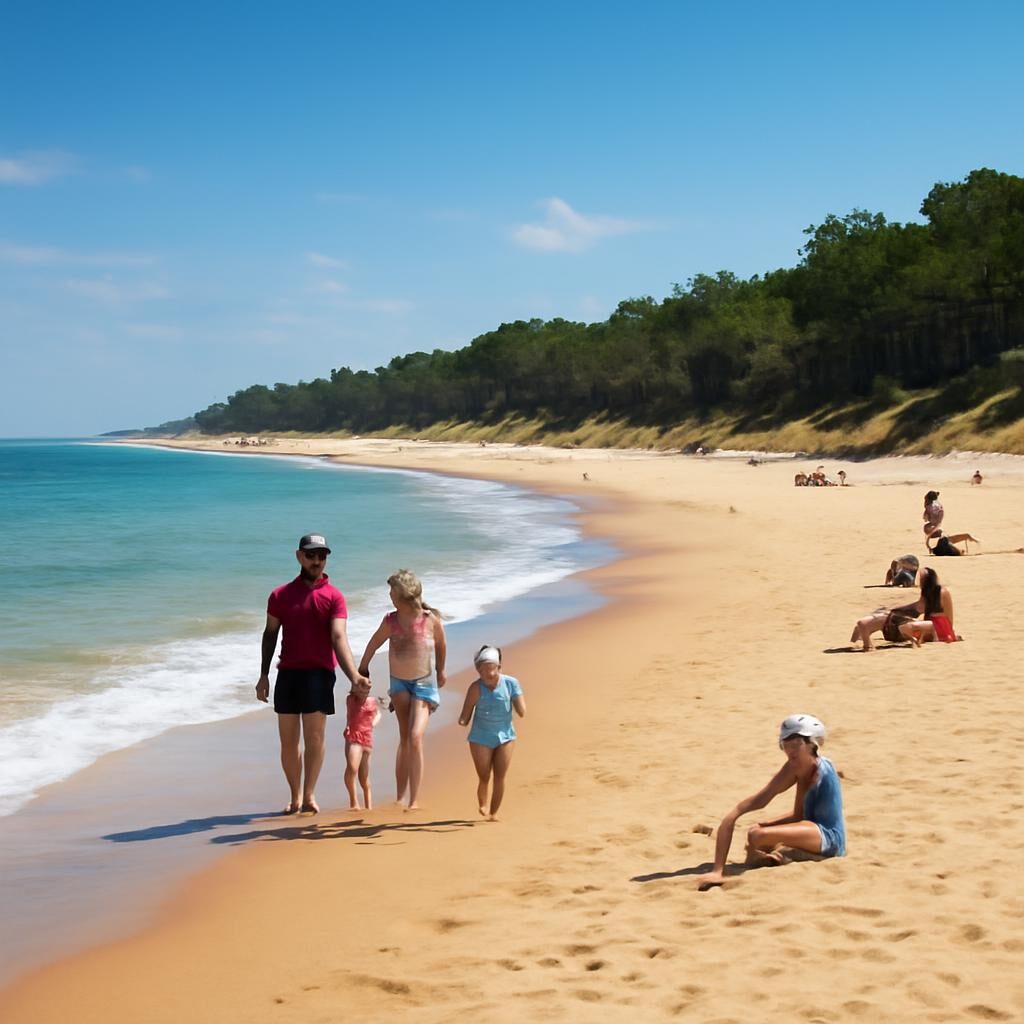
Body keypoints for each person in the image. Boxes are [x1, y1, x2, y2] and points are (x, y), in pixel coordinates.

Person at [257, 534, 368, 814]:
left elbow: (338, 636)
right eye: (311, 555)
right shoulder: (280, 595)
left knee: (315, 739)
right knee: (288, 741)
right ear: (299, 556)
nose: (317, 561)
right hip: (288, 674)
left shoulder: (334, 597)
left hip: (320, 673)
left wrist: (354, 676)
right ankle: (294, 795)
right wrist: (263, 675)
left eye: (322, 556)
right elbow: (270, 635)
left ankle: (309, 795)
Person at [698, 715, 845, 889]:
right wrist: (738, 814)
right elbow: (771, 800)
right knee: (757, 832)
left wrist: (718, 871)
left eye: (796, 744)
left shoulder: (821, 770)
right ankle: (786, 854)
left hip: (830, 838)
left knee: (757, 836)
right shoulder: (795, 767)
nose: (790, 751)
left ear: (812, 744)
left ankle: (791, 854)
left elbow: (805, 818)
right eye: (786, 745)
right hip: (811, 829)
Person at [358, 569, 447, 810]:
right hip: (399, 682)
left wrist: (440, 671)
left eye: (392, 591)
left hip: (425, 684)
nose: (389, 595)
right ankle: (400, 796)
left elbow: (441, 644)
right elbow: (374, 642)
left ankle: (414, 799)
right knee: (405, 738)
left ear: (404, 595)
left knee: (416, 736)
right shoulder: (391, 621)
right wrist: (362, 668)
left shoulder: (430, 620)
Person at [458, 645, 525, 821]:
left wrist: (518, 704)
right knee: (484, 775)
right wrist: (462, 721)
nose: (488, 674)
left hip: (506, 736)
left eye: (491, 670)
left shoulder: (511, 684)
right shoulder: (475, 688)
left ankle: (494, 813)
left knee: (500, 775)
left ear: (499, 668)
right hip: (480, 738)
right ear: (478, 670)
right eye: (483, 671)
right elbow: (465, 715)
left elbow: (522, 710)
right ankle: (483, 804)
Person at [343, 681, 382, 809]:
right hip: (353, 736)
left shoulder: (372, 701)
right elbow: (350, 714)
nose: (364, 691)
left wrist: (373, 723)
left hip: (367, 738)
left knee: (364, 777)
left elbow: (378, 714)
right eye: (360, 688)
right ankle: (354, 802)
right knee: (352, 768)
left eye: (366, 689)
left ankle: (368, 805)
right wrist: (347, 725)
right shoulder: (351, 699)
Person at [899, 566, 958, 645]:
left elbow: (949, 615)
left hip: (940, 625)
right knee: (904, 627)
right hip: (931, 624)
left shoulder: (943, 592)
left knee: (907, 627)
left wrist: (950, 631)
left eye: (922, 579)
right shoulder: (926, 592)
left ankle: (923, 638)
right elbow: (919, 607)